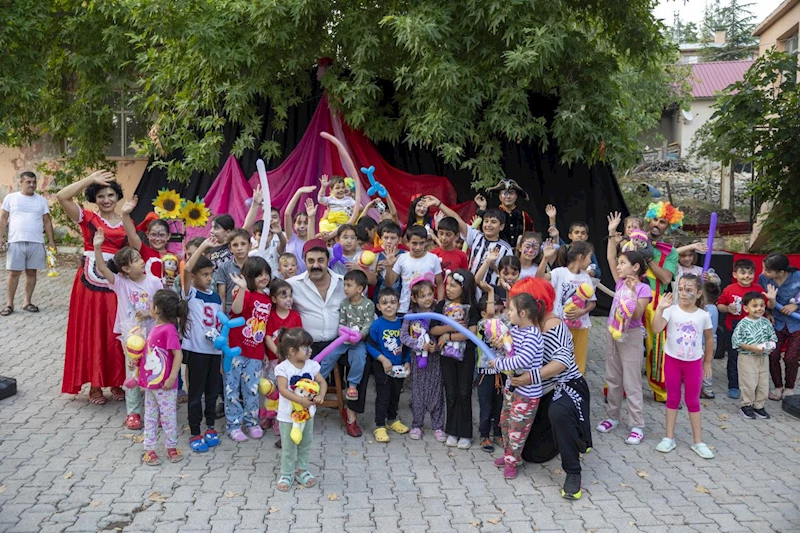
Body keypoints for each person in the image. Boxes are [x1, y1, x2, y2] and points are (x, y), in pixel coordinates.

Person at [508, 278, 590, 500]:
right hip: (539, 392)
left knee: (559, 413)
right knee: (532, 454)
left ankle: (573, 472)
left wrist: (529, 377)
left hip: (567, 387)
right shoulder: (525, 325)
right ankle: (567, 435)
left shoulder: (553, 325)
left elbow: (562, 361)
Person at [57, 171, 129, 404]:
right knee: (92, 330)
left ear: (117, 196)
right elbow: (62, 196)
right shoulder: (87, 218)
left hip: (115, 279)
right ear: (94, 199)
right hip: (89, 282)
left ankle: (117, 381)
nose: (106, 199)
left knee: (115, 330)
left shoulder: (126, 219)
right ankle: (95, 385)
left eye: (110, 194)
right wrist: (89, 179)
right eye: (100, 195)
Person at [288, 239, 366, 437]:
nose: (316, 265)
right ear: (304, 260)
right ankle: (295, 419)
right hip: (309, 346)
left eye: (320, 260)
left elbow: (365, 305)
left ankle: (351, 416)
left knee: (363, 363)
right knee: (296, 371)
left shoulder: (344, 282)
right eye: (311, 260)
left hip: (342, 342)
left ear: (328, 260)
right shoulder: (292, 285)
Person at [93, 228, 164, 430]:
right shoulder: (120, 283)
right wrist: (97, 247)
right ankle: (133, 413)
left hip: (152, 334)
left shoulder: (154, 281)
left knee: (154, 372)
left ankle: (155, 410)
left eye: (140, 257)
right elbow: (102, 268)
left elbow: (162, 306)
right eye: (136, 260)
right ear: (125, 268)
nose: (141, 261)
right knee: (132, 373)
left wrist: (150, 314)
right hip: (131, 338)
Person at [610, 204, 681, 402]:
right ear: (648, 220)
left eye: (663, 222)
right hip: (629, 298)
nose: (657, 224)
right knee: (621, 341)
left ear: (668, 226)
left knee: (657, 347)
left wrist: (648, 258)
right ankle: (618, 388)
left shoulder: (670, 252)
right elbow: (616, 262)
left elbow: (666, 278)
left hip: (655, 304)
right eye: (655, 219)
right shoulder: (630, 242)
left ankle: (660, 391)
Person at [651, 274, 715, 459]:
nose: (684, 293)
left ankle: (698, 441)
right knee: (672, 398)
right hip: (672, 361)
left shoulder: (703, 315)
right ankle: (669, 437)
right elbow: (656, 329)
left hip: (693, 363)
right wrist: (659, 309)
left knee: (693, 401)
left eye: (689, 290)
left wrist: (708, 362)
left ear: (698, 292)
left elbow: (709, 338)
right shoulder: (671, 311)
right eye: (680, 289)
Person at [597, 250, 651, 445]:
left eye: (623, 263)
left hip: (631, 337)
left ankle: (637, 425)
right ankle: (612, 417)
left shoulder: (644, 289)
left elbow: (637, 315)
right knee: (613, 377)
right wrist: (611, 234)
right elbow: (609, 257)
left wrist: (633, 291)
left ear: (635, 267)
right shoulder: (620, 282)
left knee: (632, 380)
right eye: (618, 263)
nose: (618, 266)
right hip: (613, 331)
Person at [489, 292, 545, 479]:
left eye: (511, 309)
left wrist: (498, 364)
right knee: (505, 422)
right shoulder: (514, 329)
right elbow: (509, 350)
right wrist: (498, 345)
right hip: (511, 389)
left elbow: (521, 361)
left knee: (517, 429)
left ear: (522, 313)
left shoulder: (533, 335)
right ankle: (510, 456)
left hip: (527, 394)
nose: (508, 313)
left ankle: (512, 462)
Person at [181, 238, 224, 452]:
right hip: (196, 352)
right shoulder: (190, 294)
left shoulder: (216, 297)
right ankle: (195, 430)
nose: (208, 278)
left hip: (214, 351)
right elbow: (188, 268)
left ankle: (210, 426)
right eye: (204, 274)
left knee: (212, 392)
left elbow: (219, 323)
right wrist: (204, 247)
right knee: (196, 393)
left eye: (210, 274)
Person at [430, 269, 480, 449]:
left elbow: (472, 333)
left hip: (466, 357)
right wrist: (449, 328)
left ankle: (466, 433)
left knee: (464, 392)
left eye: (453, 285)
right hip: (446, 356)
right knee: (450, 393)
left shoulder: (472, 307)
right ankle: (451, 430)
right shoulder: (442, 305)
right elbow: (434, 329)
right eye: (447, 284)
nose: (448, 289)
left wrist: (450, 337)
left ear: (464, 288)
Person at [138, 290, 188, 466]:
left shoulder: (168, 330)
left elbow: (178, 354)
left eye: (151, 303)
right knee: (150, 416)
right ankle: (149, 449)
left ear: (157, 309)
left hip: (165, 384)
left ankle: (171, 447)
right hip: (151, 383)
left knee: (168, 417)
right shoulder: (154, 328)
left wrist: (172, 377)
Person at [225, 257, 273, 442]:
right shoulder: (243, 291)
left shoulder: (268, 299)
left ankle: (252, 422)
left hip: (255, 353)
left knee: (252, 390)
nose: (264, 277)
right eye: (259, 274)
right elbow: (236, 311)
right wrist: (243, 288)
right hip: (235, 350)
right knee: (231, 389)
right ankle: (234, 425)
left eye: (266, 273)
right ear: (249, 276)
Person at [274, 328, 327, 491]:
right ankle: (287, 473)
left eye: (310, 347)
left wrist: (321, 395)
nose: (310, 350)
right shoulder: (283, 368)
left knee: (305, 443)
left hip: (307, 416)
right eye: (305, 347)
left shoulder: (312, 366)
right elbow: (283, 389)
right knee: (289, 445)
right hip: (287, 417)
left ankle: (302, 470)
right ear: (291, 350)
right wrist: (301, 401)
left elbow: (322, 383)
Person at [432, 197, 513, 297]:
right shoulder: (475, 236)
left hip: (491, 295)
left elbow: (509, 275)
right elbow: (456, 218)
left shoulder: (506, 249)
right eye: (486, 221)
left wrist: (494, 267)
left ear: (501, 226)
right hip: (470, 292)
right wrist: (439, 204)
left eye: (493, 222)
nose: (488, 225)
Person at [536, 240, 596, 374]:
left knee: (579, 359)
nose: (590, 261)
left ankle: (577, 383)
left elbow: (592, 302)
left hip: (581, 326)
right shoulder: (559, 273)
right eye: (589, 257)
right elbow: (539, 278)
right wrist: (545, 258)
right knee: (558, 356)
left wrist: (582, 311)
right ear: (581, 257)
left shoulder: (586, 277)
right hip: (560, 325)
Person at [0, 171, 55, 316]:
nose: (32, 185)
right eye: (28, 182)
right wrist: (0, 237)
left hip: (36, 242)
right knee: (14, 273)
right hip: (16, 240)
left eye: (34, 182)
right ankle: (9, 304)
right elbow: (3, 218)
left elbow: (47, 221)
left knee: (31, 272)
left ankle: (27, 302)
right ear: (21, 182)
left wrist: (51, 241)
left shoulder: (41, 200)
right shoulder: (11, 198)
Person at [400, 276, 444, 442]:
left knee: (436, 393)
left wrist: (436, 347)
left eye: (429, 294)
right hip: (416, 359)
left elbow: (444, 335)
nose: (427, 298)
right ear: (414, 298)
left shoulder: (439, 312)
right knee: (418, 393)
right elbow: (403, 336)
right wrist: (418, 344)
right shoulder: (410, 315)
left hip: (435, 360)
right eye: (422, 295)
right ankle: (417, 425)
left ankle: (438, 427)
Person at [319, 270, 374, 401]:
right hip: (343, 340)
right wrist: (342, 332)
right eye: (345, 285)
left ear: (360, 289)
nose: (345, 288)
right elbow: (342, 322)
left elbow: (368, 323)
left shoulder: (368, 304)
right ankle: (317, 380)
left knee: (360, 358)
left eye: (349, 285)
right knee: (329, 355)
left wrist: (360, 335)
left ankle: (352, 385)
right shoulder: (344, 303)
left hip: (359, 341)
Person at [716, 259, 765, 399]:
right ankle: (734, 386)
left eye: (750, 273)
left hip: (755, 330)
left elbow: (767, 306)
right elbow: (720, 304)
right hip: (734, 327)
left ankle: (753, 385)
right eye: (742, 273)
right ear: (735, 274)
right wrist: (727, 308)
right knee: (733, 357)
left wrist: (770, 305)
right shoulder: (729, 289)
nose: (747, 276)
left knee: (754, 358)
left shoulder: (759, 290)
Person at [367, 288, 410, 442]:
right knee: (383, 396)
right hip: (382, 366)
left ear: (399, 305)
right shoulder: (377, 324)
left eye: (393, 302)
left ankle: (392, 420)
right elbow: (370, 345)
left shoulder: (402, 323)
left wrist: (407, 361)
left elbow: (407, 345)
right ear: (378, 306)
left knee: (395, 394)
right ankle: (380, 425)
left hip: (399, 367)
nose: (389, 306)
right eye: (384, 303)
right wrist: (383, 359)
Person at [759, 253, 800, 399]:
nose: (764, 273)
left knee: (791, 358)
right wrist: (768, 312)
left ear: (781, 272)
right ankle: (777, 387)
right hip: (777, 322)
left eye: (767, 270)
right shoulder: (763, 279)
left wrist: (795, 305)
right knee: (772, 353)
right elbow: (764, 300)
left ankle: (789, 387)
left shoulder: (797, 277)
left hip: (796, 324)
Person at [732, 292, 778, 420]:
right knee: (749, 382)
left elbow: (773, 337)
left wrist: (771, 345)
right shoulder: (743, 324)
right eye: (755, 306)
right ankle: (746, 405)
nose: (759, 308)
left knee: (763, 382)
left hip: (763, 357)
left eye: (762, 305)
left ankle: (759, 405)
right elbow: (737, 341)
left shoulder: (766, 323)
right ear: (746, 308)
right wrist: (753, 348)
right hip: (747, 357)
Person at [474, 282, 506, 452]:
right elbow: (491, 317)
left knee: (500, 405)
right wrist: (491, 292)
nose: (497, 316)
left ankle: (499, 433)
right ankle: (484, 435)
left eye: (501, 312)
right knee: (486, 406)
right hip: (485, 374)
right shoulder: (482, 325)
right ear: (483, 313)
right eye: (494, 312)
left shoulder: (504, 326)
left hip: (501, 373)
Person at [384, 225, 443, 314]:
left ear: (426, 242)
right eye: (414, 243)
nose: (418, 247)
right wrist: (389, 266)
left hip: (428, 308)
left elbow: (440, 284)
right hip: (404, 308)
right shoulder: (402, 258)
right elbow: (389, 283)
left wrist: (439, 305)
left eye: (421, 243)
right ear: (407, 242)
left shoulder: (433, 259)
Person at [120, 195, 172, 281]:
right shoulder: (143, 251)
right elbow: (131, 234)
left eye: (162, 235)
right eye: (154, 234)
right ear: (147, 234)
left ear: (168, 236)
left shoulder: (175, 257)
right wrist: (125, 214)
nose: (157, 239)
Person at [481, 178, 535, 247]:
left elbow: (532, 237)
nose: (508, 196)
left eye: (511, 193)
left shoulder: (524, 216)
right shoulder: (492, 214)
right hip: (496, 253)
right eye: (505, 193)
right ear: (499, 196)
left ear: (516, 196)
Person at [215, 229, 252, 314]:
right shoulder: (224, 267)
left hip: (251, 311)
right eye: (235, 245)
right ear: (230, 248)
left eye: (243, 244)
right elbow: (222, 296)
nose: (239, 248)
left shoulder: (256, 265)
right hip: (230, 313)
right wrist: (223, 317)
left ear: (250, 246)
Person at [283, 186, 317, 275]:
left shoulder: (310, 240)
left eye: (305, 223)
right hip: (290, 279)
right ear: (294, 225)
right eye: (299, 223)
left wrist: (311, 217)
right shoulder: (291, 238)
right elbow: (287, 214)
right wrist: (299, 192)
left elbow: (311, 238)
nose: (302, 226)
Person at [430, 216, 469, 294]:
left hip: (454, 297)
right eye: (441, 233)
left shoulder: (462, 256)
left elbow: (464, 279)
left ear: (457, 236)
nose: (443, 238)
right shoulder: (432, 254)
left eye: (448, 234)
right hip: (434, 296)